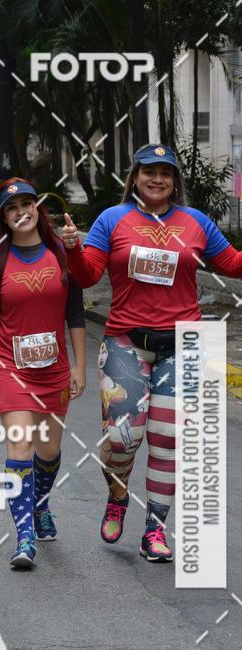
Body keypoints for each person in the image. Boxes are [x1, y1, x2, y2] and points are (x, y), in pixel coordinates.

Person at [62, 143, 242, 562]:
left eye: (165, 172)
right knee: (121, 441)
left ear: (175, 179)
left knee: (169, 440)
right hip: (127, 341)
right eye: (148, 171)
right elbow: (87, 276)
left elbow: (232, 263)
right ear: (135, 177)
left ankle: (155, 530)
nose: (157, 178)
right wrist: (72, 246)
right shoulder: (113, 219)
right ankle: (118, 495)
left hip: (184, 344)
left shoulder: (196, 223)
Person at [0, 177, 86, 570]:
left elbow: (75, 313)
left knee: (48, 451)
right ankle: (24, 535)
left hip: (54, 370)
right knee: (19, 448)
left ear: (37, 209)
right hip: (10, 368)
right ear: (5, 218)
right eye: (12, 209)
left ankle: (41, 503)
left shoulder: (62, 255)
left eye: (27, 205)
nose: (21, 212)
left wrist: (79, 366)